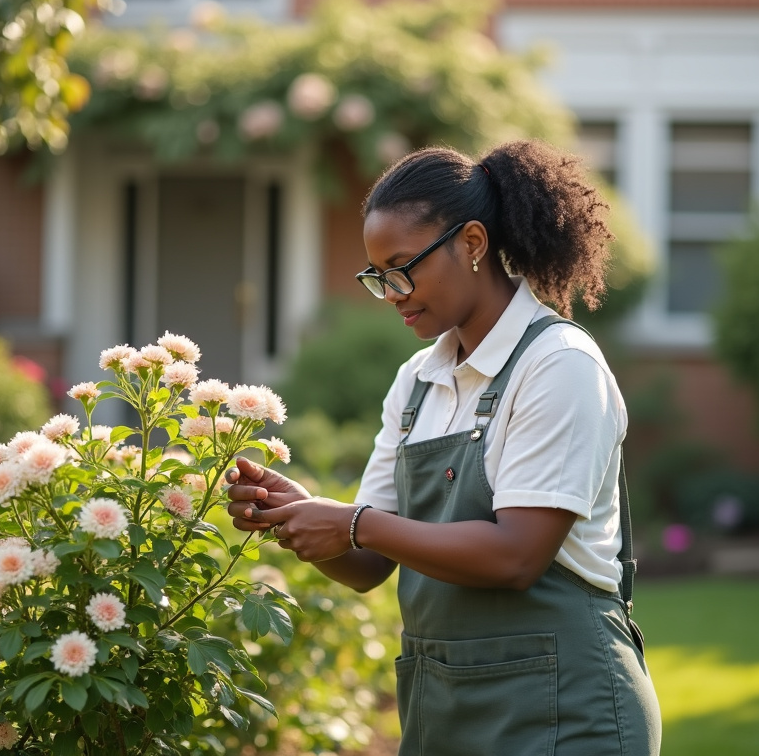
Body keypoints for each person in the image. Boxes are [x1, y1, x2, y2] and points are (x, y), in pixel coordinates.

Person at [226, 140, 662, 755]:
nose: (392, 292)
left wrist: (353, 523)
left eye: (403, 267)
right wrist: (298, 514)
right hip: (447, 710)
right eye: (378, 276)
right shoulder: (417, 382)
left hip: (566, 711)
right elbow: (369, 565)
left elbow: (516, 555)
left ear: (473, 243)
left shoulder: (557, 365)